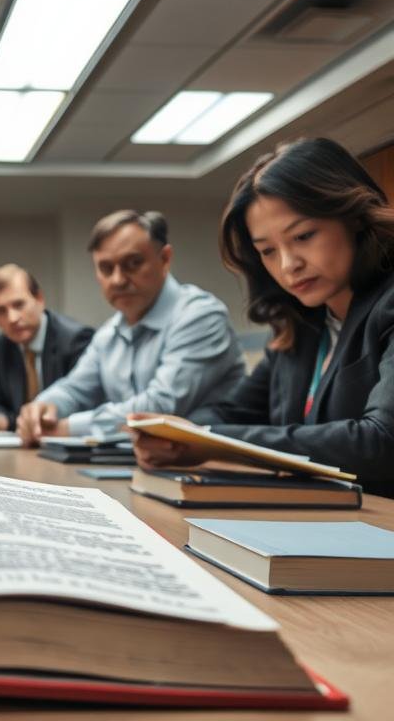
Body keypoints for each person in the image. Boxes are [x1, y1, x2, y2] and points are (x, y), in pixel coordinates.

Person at [131, 138, 394, 497]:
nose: (288, 265)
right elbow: (226, 413)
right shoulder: (300, 328)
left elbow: (381, 442)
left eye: (303, 236)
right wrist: (178, 437)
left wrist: (209, 441)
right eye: (267, 251)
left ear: (354, 218)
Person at [17, 209, 245, 445]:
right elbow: (74, 389)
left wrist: (69, 428)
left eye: (133, 263)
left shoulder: (201, 316)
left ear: (165, 259)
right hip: (140, 465)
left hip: (210, 472)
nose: (118, 279)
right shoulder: (109, 333)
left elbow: (159, 407)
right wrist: (42, 407)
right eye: (106, 268)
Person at [0, 264, 93, 431]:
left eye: (18, 305)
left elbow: (82, 404)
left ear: (39, 299)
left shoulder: (75, 339)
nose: (12, 318)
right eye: (1, 311)